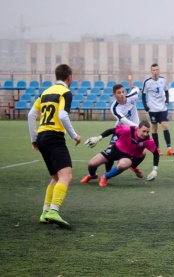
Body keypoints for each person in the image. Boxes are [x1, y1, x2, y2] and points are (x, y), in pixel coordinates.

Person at [27, 64, 81, 227]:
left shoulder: (45, 92)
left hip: (42, 137)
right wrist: (74, 135)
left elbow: (31, 115)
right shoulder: (66, 92)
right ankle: (54, 211)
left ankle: (45, 212)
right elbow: (63, 115)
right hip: (54, 137)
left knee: (56, 178)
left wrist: (34, 138)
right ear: (69, 77)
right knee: (66, 177)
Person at [80, 121, 159, 187]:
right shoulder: (128, 129)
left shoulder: (149, 140)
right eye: (144, 131)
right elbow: (111, 131)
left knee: (123, 165)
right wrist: (98, 138)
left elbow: (156, 153)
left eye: (147, 132)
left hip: (128, 156)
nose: (145, 134)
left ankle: (105, 177)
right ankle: (92, 175)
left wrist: (155, 170)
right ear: (138, 128)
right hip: (116, 149)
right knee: (91, 163)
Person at [92, 83, 144, 178]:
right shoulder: (114, 107)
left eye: (123, 92)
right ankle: (107, 171)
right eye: (119, 92)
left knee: (143, 152)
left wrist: (136, 87)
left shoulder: (132, 97)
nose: (122, 94)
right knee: (111, 149)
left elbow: (137, 90)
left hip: (134, 131)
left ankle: (133, 166)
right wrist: (138, 127)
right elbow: (124, 120)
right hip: (122, 129)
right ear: (114, 95)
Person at [142, 63, 174, 156]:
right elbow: (143, 95)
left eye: (157, 70)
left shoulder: (163, 80)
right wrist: (145, 105)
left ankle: (169, 148)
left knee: (165, 126)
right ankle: (157, 148)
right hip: (152, 109)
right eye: (153, 70)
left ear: (159, 70)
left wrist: (167, 100)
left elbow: (166, 91)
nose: (155, 72)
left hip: (162, 108)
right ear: (151, 71)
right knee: (154, 128)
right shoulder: (147, 82)